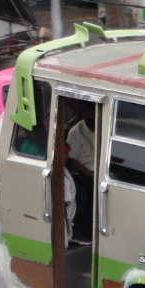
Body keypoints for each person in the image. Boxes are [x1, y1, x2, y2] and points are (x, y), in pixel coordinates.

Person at [65, 102, 96, 244]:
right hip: (84, 172)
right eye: (88, 114)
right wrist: (91, 174)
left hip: (101, 171)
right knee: (90, 192)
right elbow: (72, 161)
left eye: (94, 114)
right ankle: (85, 232)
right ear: (83, 114)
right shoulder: (75, 132)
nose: (91, 117)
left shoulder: (103, 127)